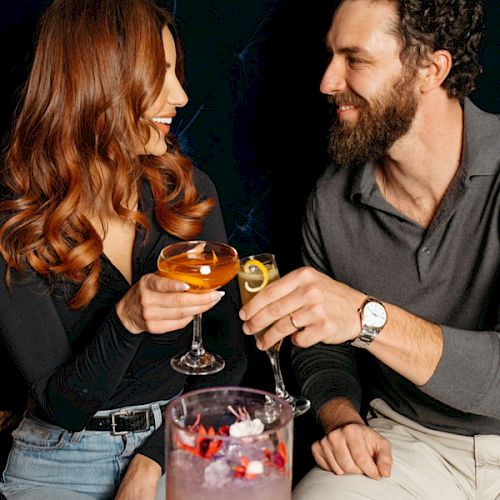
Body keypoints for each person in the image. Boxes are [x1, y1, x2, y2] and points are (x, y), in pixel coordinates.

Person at [240, 0, 500, 498]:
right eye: (331, 55)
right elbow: (323, 349)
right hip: (405, 445)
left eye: (354, 59)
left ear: (430, 69)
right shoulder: (331, 198)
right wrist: (342, 420)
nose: (327, 81)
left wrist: (367, 316)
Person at [0, 0, 246, 498]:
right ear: (97, 82)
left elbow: (228, 356)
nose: (179, 94)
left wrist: (154, 460)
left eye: (177, 72)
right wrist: (127, 319)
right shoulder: (17, 219)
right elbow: (61, 406)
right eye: (160, 74)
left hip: (182, 437)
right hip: (60, 457)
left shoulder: (187, 192)